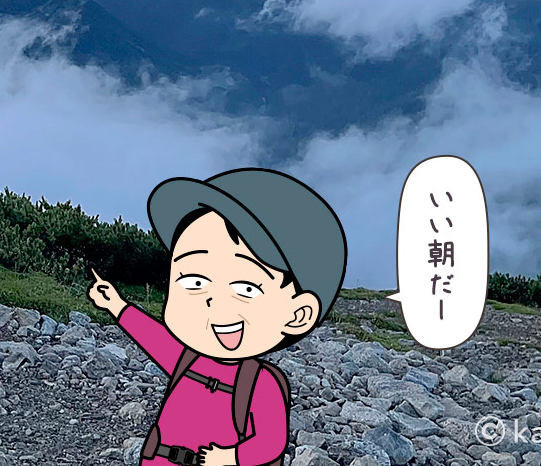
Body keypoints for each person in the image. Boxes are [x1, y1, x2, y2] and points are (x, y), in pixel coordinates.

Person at [88, 168, 347, 466]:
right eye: (194, 282)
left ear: (298, 315)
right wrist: (117, 305)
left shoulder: (261, 384)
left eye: (246, 288)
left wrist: (232, 457)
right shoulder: (187, 359)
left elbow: (271, 441)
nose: (212, 301)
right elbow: (154, 337)